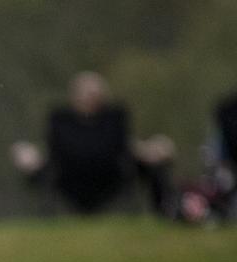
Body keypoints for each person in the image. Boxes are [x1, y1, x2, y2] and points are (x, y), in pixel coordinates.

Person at [11, 71, 173, 215]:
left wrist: (153, 149)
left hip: (112, 176)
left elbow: (128, 145)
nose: (91, 97)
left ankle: (165, 211)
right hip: (68, 178)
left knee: (157, 161)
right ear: (74, 95)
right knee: (29, 163)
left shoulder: (114, 117)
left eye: (95, 92)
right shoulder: (60, 119)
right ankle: (26, 217)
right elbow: (50, 150)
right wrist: (29, 155)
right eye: (86, 92)